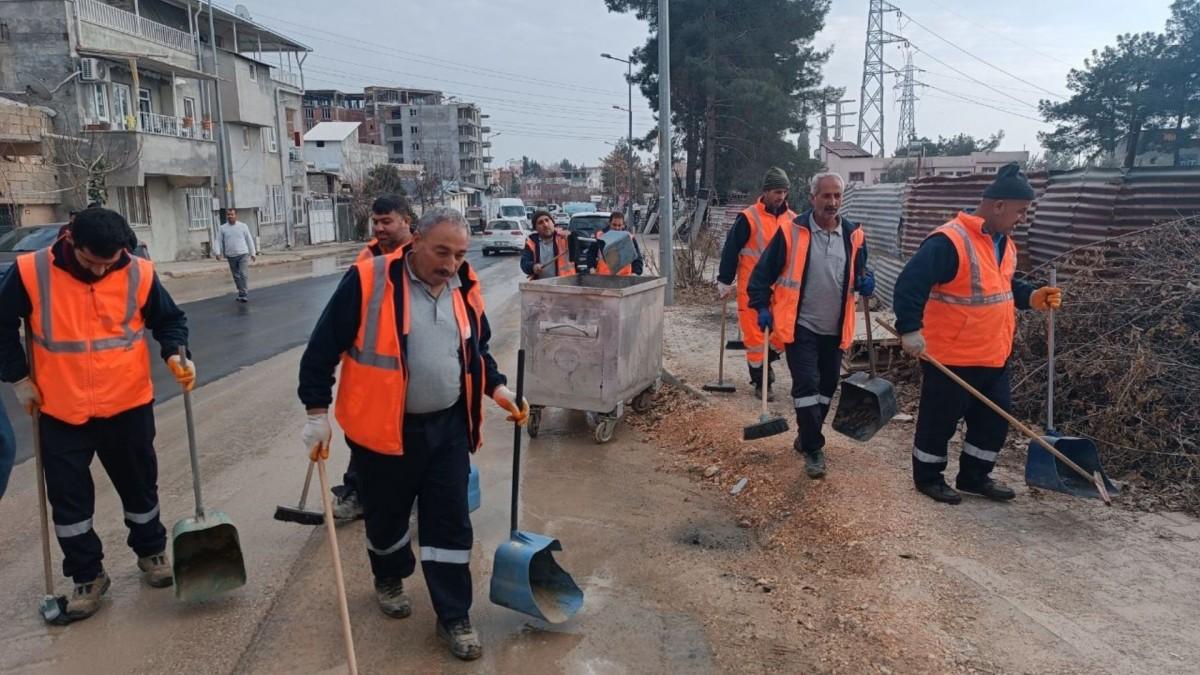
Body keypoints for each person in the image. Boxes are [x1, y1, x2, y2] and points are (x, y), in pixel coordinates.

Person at [298, 206, 528, 661]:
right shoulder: (370, 281)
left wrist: (497, 387)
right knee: (386, 519)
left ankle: (454, 614)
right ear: (416, 239)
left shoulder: (465, 287)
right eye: (442, 251)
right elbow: (322, 349)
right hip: (384, 431)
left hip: (446, 428)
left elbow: (475, 350)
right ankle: (389, 576)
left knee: (450, 522)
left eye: (460, 254)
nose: (450, 263)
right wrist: (316, 413)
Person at [0, 207, 193, 619]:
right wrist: (18, 378)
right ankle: (88, 575)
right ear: (70, 240)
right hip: (60, 407)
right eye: (92, 263)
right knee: (70, 501)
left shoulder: (138, 271)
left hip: (127, 403)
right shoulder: (32, 271)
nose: (101, 272)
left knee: (140, 488)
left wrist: (176, 354)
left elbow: (170, 320)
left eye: (109, 264)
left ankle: (152, 553)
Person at [893, 162, 1061, 504]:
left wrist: (1031, 296)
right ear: (998, 205)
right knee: (938, 423)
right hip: (951, 357)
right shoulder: (949, 241)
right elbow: (909, 284)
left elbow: (1002, 285)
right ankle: (928, 478)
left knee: (992, 423)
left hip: (994, 354)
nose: (1022, 219)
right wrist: (909, 329)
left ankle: (975, 476)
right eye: (1020, 211)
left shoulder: (1005, 244)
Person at [748, 173, 873, 479]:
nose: (832, 202)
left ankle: (806, 436)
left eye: (837, 196)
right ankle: (814, 448)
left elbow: (860, 271)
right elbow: (761, 275)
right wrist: (762, 306)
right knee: (806, 386)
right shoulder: (792, 232)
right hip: (800, 326)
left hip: (836, 328)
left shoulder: (854, 235)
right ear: (813, 197)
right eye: (826, 196)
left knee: (827, 387)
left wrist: (867, 281)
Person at [330, 194, 417, 521]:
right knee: (365, 441)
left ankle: (411, 497)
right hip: (373, 373)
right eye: (375, 222)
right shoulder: (365, 260)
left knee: (412, 440)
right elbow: (342, 315)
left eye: (387, 221)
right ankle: (358, 493)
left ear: (406, 219)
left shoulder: (420, 256)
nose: (379, 228)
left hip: (412, 369)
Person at [716, 167, 796, 400]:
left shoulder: (793, 220)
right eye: (776, 192)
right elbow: (731, 250)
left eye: (783, 191)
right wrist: (724, 279)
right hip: (750, 290)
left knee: (781, 334)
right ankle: (762, 383)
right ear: (765, 192)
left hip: (782, 290)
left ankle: (767, 363)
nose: (780, 196)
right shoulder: (748, 218)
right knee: (754, 339)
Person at [356, 194, 416, 264]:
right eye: (375, 222)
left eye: (386, 222)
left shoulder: (423, 251)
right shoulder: (367, 255)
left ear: (406, 221)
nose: (379, 228)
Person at [215, 207, 256, 303]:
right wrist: (217, 252)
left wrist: (253, 253)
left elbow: (249, 239)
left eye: (232, 214)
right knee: (236, 276)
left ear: (235, 215)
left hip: (243, 254)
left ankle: (244, 293)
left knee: (243, 274)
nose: (230, 216)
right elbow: (218, 240)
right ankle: (241, 292)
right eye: (228, 215)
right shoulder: (223, 228)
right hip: (231, 255)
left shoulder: (243, 226)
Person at [520, 210, 575, 279]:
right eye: (540, 222)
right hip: (542, 286)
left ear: (553, 223)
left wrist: (572, 236)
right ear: (535, 228)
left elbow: (581, 246)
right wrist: (533, 267)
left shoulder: (564, 238)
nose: (545, 225)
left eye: (547, 220)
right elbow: (524, 263)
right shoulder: (531, 242)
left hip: (565, 284)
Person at [586, 211, 644, 275]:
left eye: (619, 225)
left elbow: (637, 257)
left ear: (623, 225)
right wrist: (591, 268)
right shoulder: (600, 236)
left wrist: (636, 272)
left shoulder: (629, 238)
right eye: (614, 225)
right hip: (603, 278)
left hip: (625, 278)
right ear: (609, 223)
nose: (617, 228)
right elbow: (591, 254)